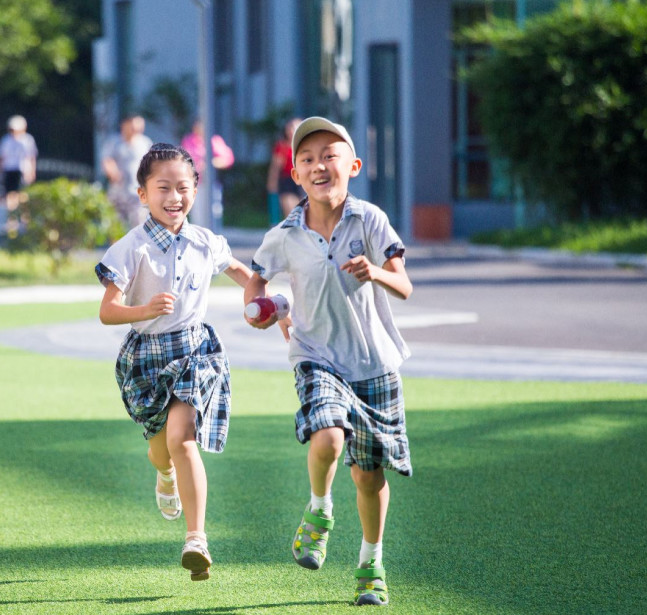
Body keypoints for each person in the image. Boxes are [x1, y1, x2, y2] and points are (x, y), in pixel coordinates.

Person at [244, 117, 413, 607]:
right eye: (308, 159)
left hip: (375, 363)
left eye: (329, 155)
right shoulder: (284, 233)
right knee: (328, 437)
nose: (319, 165)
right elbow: (257, 279)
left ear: (353, 166)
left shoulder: (372, 220)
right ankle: (319, 511)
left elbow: (404, 285)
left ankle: (371, 563)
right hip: (316, 355)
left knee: (369, 475)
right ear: (295, 174)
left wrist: (376, 271)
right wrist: (263, 309)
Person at [95, 143, 252, 581]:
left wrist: (265, 300)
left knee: (184, 438)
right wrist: (144, 310)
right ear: (143, 193)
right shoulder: (131, 248)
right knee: (160, 448)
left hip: (193, 353)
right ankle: (163, 475)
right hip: (145, 358)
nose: (174, 197)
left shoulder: (205, 241)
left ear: (196, 190)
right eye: (162, 187)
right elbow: (108, 311)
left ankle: (196, 539)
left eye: (183, 187)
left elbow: (240, 272)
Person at [101, 114, 153, 228]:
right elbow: (106, 160)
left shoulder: (145, 142)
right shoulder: (114, 142)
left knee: (139, 222)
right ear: (124, 125)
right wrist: (112, 172)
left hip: (138, 191)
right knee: (115, 225)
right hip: (118, 191)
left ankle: (138, 246)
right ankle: (116, 246)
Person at [266, 117, 305, 223]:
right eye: (290, 127)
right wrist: (272, 183)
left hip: (302, 181)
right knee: (291, 210)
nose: (292, 130)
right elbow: (275, 167)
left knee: (302, 212)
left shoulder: (305, 145)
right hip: (287, 181)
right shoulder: (282, 146)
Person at [0, 115, 38, 211]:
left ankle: (23, 217)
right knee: (9, 194)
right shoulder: (6, 140)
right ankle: (11, 217)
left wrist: (31, 172)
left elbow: (31, 157)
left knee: (23, 194)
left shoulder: (27, 140)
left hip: (22, 170)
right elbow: (1, 157)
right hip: (9, 169)